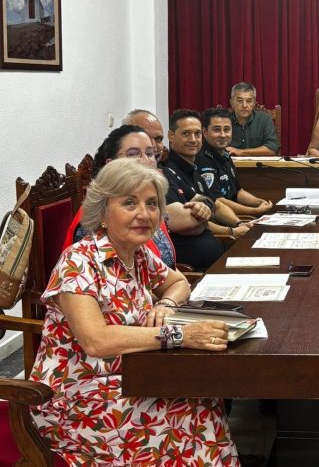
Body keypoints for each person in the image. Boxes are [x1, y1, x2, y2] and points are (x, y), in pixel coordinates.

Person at [30, 159, 240, 465]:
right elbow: (96, 341)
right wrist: (180, 335)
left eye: (152, 203)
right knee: (192, 413)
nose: (144, 213)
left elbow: (178, 282)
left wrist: (166, 304)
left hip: (132, 377)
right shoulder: (79, 262)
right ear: (103, 211)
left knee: (202, 399)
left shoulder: (137, 254)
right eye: (130, 203)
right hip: (78, 398)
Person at [62, 124, 176, 268]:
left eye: (150, 153)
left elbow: (166, 273)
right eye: (133, 154)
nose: (146, 161)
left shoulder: (150, 204)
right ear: (111, 165)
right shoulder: (94, 223)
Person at [163, 109, 251, 271]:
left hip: (217, 256)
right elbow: (194, 221)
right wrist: (232, 231)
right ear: (171, 136)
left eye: (197, 134)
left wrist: (240, 223)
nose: (193, 139)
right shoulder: (167, 173)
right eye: (186, 134)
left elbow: (215, 206)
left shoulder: (193, 169)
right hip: (195, 271)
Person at [197, 107, 274, 216]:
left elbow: (238, 192)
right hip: (220, 219)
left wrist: (260, 202)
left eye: (227, 129)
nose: (223, 135)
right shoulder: (201, 159)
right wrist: (254, 211)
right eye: (217, 130)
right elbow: (218, 202)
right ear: (205, 132)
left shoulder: (226, 155)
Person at [227, 82, 280, 156]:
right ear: (232, 102)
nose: (244, 105)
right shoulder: (224, 120)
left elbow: (273, 148)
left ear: (254, 103)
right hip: (229, 162)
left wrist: (241, 152)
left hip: (258, 163)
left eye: (249, 101)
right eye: (240, 100)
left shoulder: (265, 119)